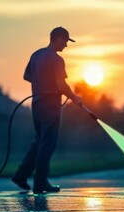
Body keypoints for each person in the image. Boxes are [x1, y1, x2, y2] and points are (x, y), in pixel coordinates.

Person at [12, 27, 82, 193]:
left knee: (39, 141)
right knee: (47, 143)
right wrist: (75, 98)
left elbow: (27, 76)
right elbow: (61, 85)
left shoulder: (36, 55)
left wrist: (41, 83)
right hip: (50, 105)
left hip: (36, 104)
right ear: (57, 39)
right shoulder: (57, 59)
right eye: (65, 41)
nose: (66, 45)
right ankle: (40, 181)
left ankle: (21, 176)